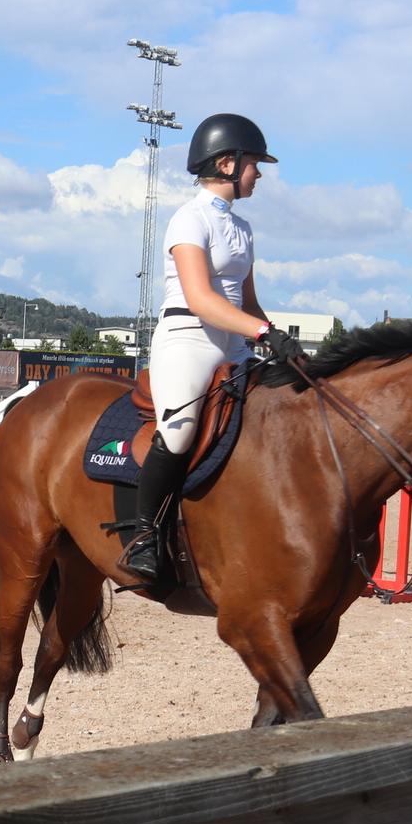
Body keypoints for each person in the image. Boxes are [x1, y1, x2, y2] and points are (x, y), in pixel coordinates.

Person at [120, 113, 302, 585]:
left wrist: (278, 339)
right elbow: (201, 298)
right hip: (189, 339)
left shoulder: (242, 229)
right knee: (178, 433)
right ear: (227, 163)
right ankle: (144, 536)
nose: (258, 173)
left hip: (236, 345)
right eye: (253, 164)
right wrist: (262, 334)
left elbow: (250, 301)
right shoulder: (189, 218)